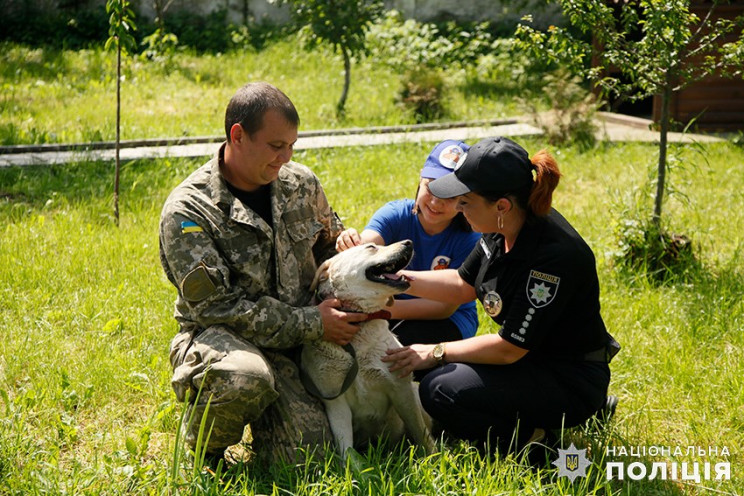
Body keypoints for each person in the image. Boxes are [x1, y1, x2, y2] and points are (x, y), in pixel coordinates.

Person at [159, 82, 368, 465]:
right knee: (245, 378)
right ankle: (206, 444)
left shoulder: (300, 184)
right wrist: (312, 323)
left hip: (297, 342)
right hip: (223, 339)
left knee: (309, 458)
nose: (286, 158)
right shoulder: (189, 211)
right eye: (276, 146)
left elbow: (326, 245)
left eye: (292, 145)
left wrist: (344, 248)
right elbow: (217, 308)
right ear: (237, 135)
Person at [382, 136, 619, 456]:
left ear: (501, 205)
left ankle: (537, 440)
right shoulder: (500, 227)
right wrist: (397, 280)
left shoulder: (552, 259)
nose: (459, 211)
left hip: (567, 377)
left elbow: (509, 349)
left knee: (440, 391)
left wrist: (435, 351)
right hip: (530, 361)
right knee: (433, 375)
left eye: (465, 202)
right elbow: (462, 284)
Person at [336, 140, 481, 356]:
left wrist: (375, 311)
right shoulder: (395, 214)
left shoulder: (471, 238)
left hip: (446, 320)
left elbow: (443, 308)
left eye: (450, 195)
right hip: (387, 309)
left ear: (465, 197)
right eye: (431, 186)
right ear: (421, 178)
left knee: (393, 352)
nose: (436, 202)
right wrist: (351, 242)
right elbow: (366, 247)